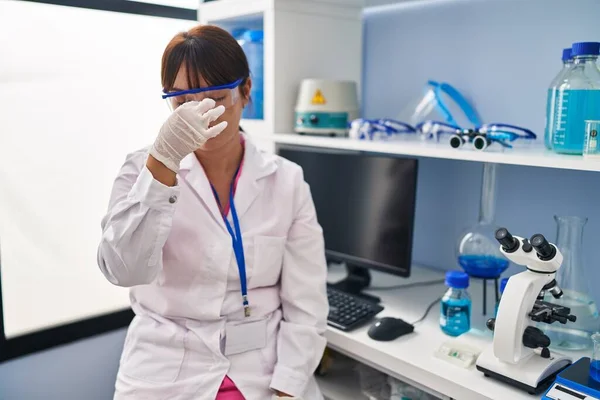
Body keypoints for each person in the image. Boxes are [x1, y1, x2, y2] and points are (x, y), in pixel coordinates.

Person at [97, 24, 328, 400]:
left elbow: (308, 306)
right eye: (183, 102)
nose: (201, 114)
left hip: (263, 366)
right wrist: (163, 163)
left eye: (217, 97)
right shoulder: (141, 169)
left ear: (246, 90)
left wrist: (287, 388)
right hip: (168, 365)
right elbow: (123, 270)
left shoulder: (286, 181)